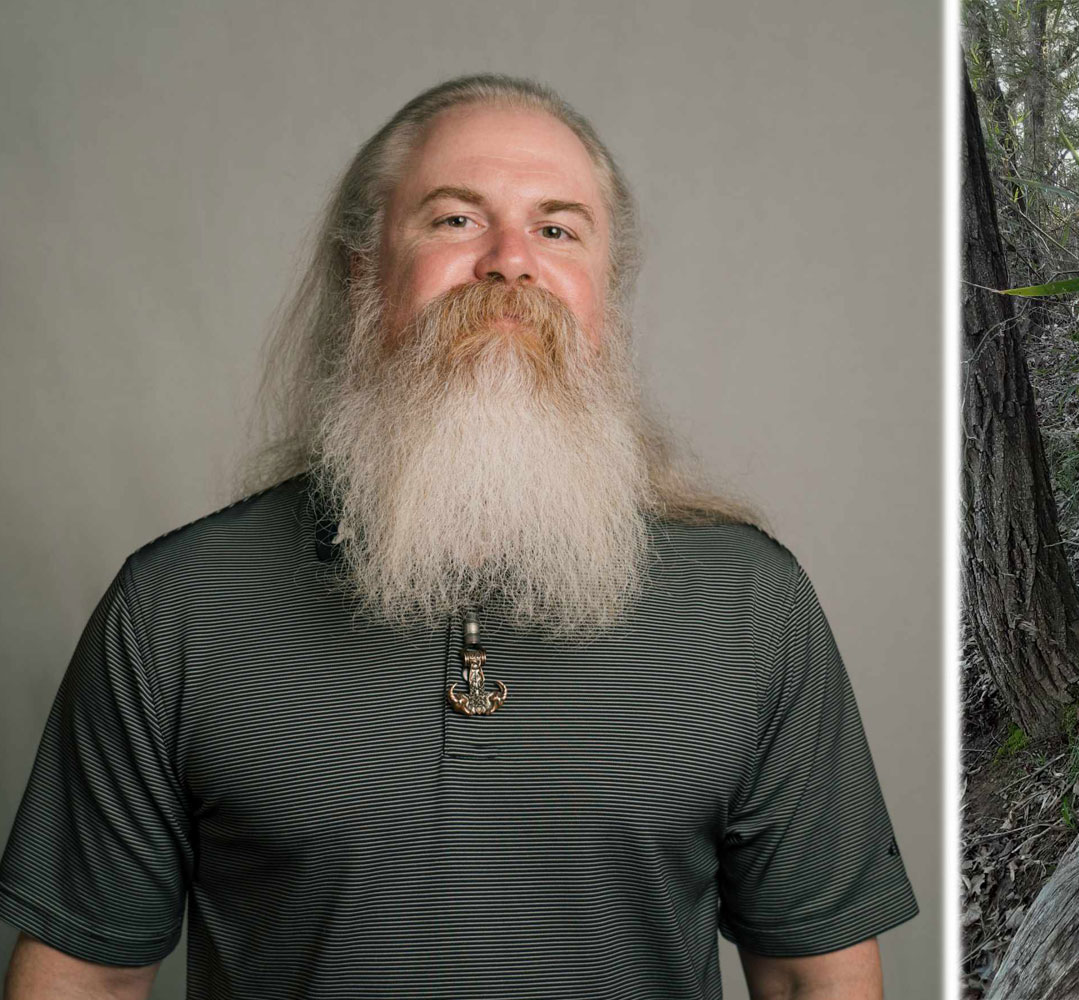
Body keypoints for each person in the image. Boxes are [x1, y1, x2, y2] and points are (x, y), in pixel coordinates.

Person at [0, 75, 918, 999]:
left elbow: (815, 976)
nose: (510, 262)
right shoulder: (178, 603)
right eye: (455, 221)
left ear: (605, 295)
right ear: (365, 271)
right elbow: (86, 984)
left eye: (558, 229)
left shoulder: (750, 603)